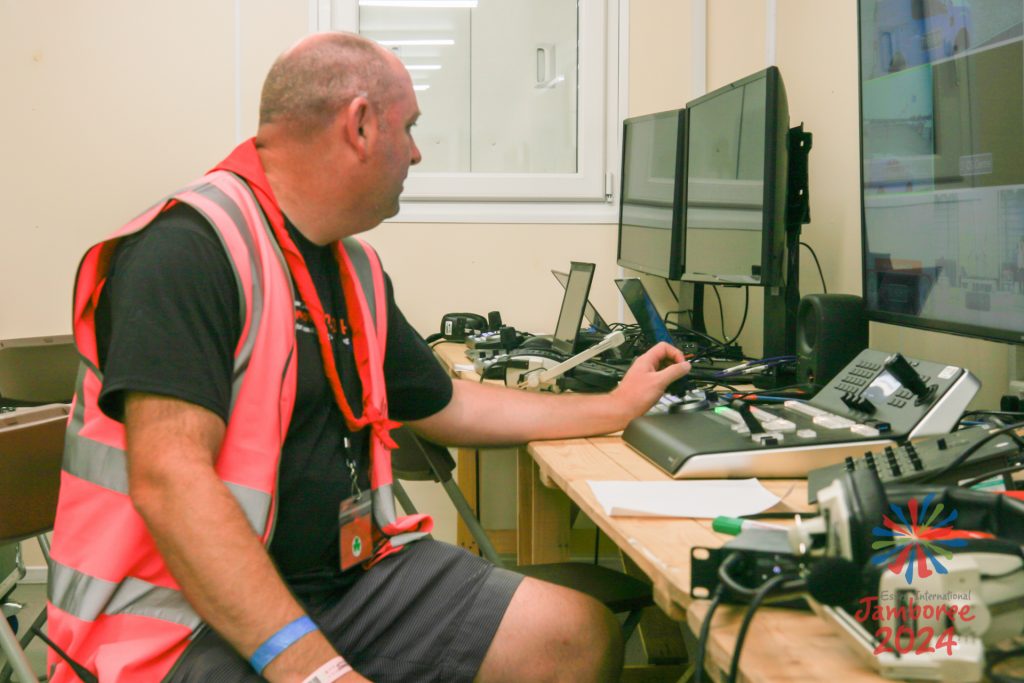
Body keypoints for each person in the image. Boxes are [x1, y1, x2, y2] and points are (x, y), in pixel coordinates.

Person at [46, 31, 690, 683]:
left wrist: (612, 405)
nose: (415, 150)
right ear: (359, 124)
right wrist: (315, 670)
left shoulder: (352, 267)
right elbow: (170, 480)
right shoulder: (187, 250)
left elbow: (451, 404)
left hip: (350, 582)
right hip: (182, 614)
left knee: (574, 638)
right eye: (408, 127)